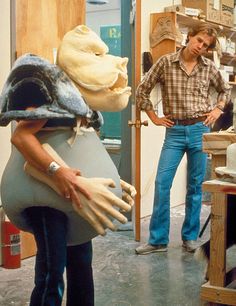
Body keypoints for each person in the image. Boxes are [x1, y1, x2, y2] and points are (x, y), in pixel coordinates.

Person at [0, 26, 134, 306]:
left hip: (76, 195)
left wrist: (110, 181)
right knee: (51, 271)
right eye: (96, 54)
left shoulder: (83, 104)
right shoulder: (50, 94)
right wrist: (57, 171)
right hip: (47, 198)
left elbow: (85, 147)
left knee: (81, 266)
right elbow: (21, 136)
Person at [135, 23, 231, 255]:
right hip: (175, 132)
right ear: (189, 37)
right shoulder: (166, 62)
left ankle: (190, 238)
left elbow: (225, 90)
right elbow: (141, 90)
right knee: (161, 184)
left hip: (200, 129)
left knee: (195, 186)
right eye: (199, 41)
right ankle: (158, 240)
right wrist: (154, 118)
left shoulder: (209, 67)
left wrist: (218, 109)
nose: (201, 47)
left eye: (206, 46)